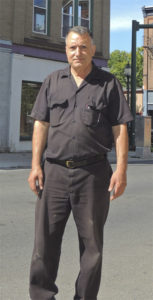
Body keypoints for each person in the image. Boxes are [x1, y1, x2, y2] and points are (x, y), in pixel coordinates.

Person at [28, 26, 133, 300]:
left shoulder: (108, 83)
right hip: (53, 173)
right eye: (73, 47)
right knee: (44, 244)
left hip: (94, 174)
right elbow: (41, 124)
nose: (78, 52)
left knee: (92, 247)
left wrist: (121, 170)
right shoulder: (52, 81)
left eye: (83, 47)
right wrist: (35, 165)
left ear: (92, 50)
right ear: (66, 50)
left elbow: (120, 128)